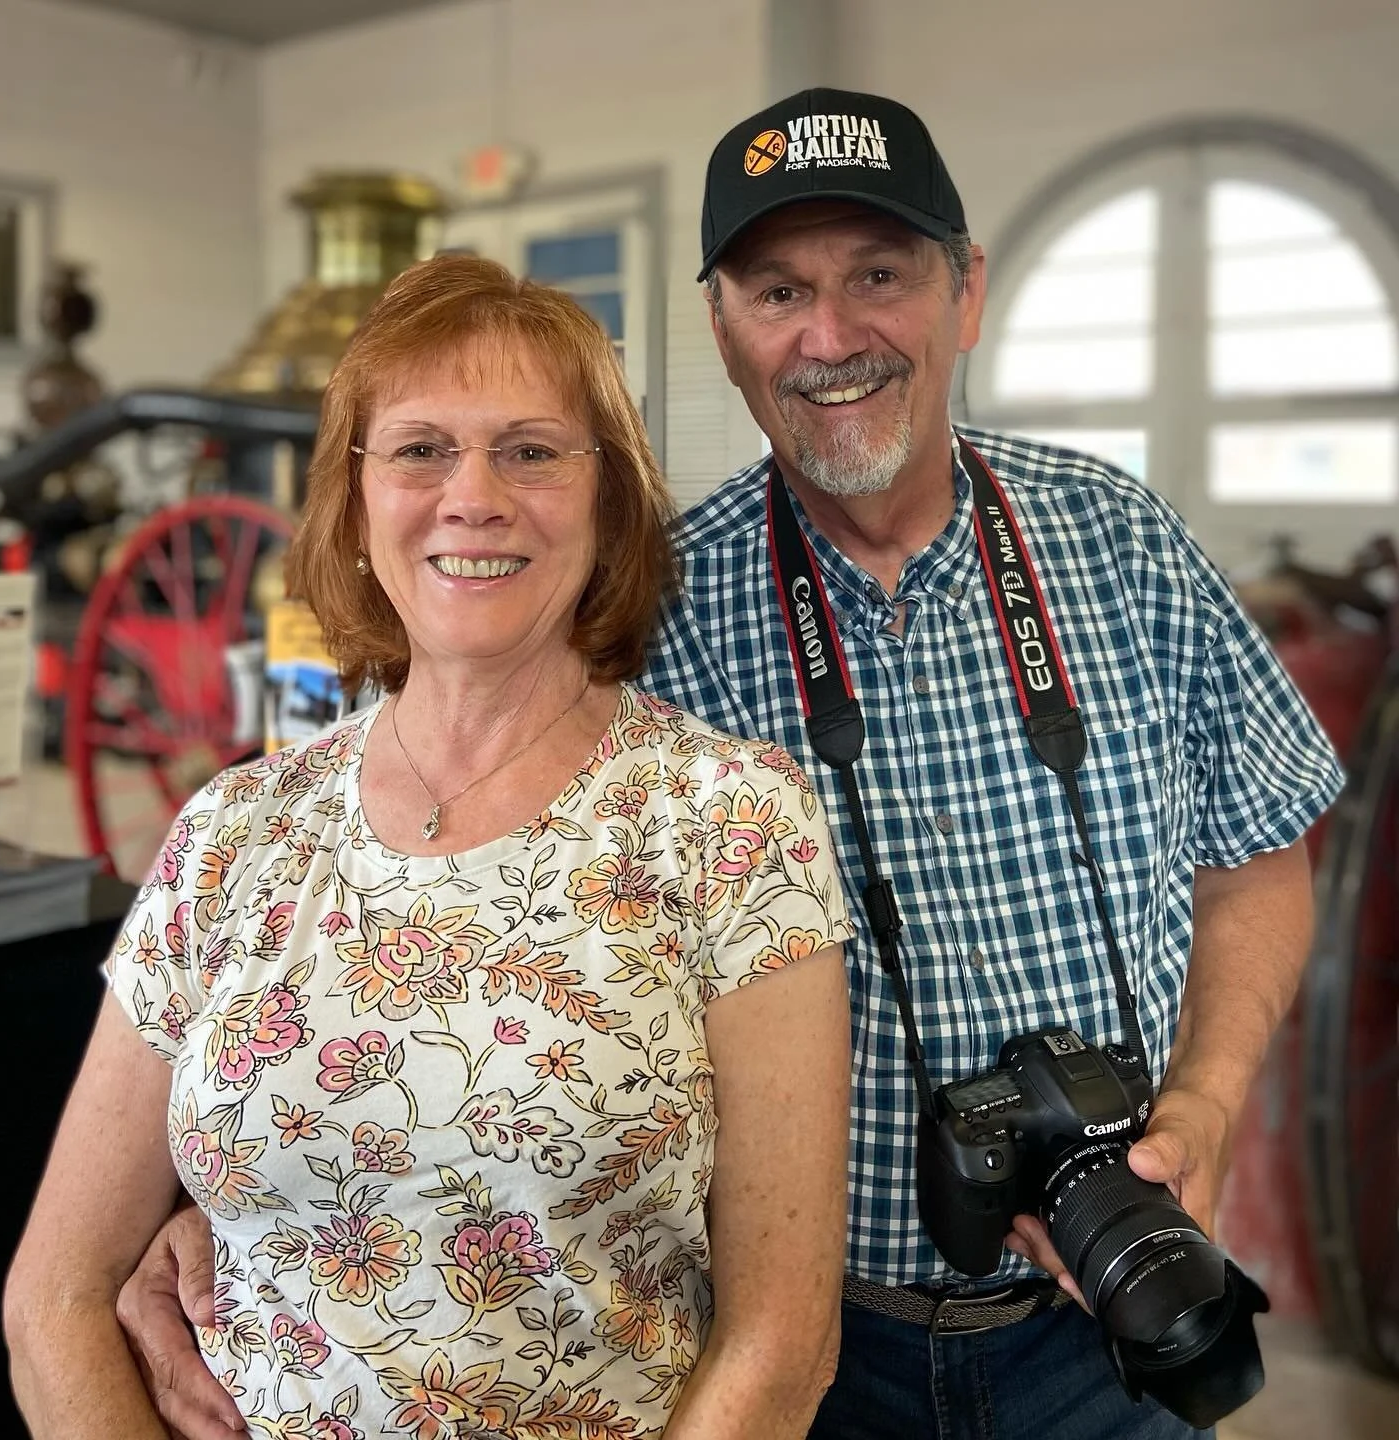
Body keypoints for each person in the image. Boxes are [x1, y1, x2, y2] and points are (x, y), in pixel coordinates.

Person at [110, 88, 1343, 1440]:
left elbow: (1259, 854)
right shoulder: (637, 613)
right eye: (778, 291)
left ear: (968, 291)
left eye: (879, 275)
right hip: (781, 1349)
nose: (831, 336)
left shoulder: (1120, 542)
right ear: (723, 328)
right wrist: (232, 1190)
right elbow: (421, 883)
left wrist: (1205, 1102)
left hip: (1120, 1310)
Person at [3, 255, 855, 1440]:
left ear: (608, 502)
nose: (474, 496)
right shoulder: (233, 831)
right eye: (419, 450)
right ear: (356, 504)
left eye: (532, 450)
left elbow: (781, 1341)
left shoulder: (732, 819)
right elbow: (52, 1299)